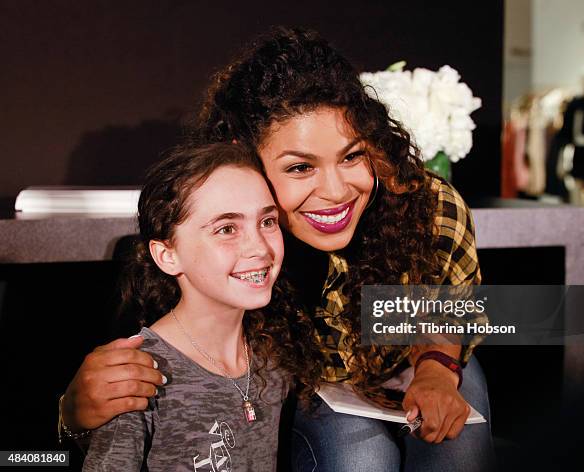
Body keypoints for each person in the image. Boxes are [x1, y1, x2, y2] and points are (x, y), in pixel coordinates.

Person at [62, 28, 496, 471]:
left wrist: (438, 367)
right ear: (244, 155)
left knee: (457, 445)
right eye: (300, 167)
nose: (336, 190)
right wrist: (73, 416)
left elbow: (447, 306)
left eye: (351, 156)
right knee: (359, 456)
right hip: (320, 391)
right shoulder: (222, 251)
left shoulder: (424, 206)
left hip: (414, 355)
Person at [81, 143, 313, 471]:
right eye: (227, 229)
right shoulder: (139, 376)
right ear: (168, 255)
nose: (259, 247)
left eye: (267, 221)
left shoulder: (273, 357)